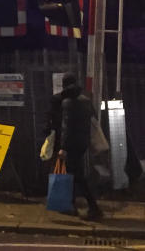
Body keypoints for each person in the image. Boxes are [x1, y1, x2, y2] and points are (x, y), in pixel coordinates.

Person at [45, 73, 102, 219]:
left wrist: (63, 147)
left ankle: (93, 208)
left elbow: (66, 127)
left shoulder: (65, 102)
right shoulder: (86, 101)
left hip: (68, 144)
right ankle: (71, 205)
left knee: (76, 176)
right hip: (82, 142)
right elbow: (92, 119)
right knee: (72, 174)